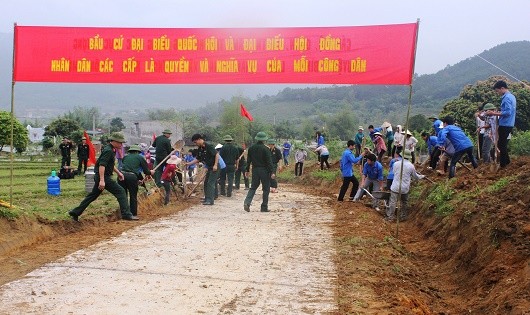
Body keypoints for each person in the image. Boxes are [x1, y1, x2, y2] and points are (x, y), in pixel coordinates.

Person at [68, 133, 138, 222]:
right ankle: (126, 214)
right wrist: (102, 180)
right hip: (103, 176)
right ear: (114, 142)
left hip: (101, 176)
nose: (121, 144)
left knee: (92, 195)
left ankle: (75, 212)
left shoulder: (112, 150)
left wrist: (118, 173)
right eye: (120, 142)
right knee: (121, 191)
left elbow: (110, 165)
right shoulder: (108, 150)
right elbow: (102, 165)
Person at [385, 149, 425, 222]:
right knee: (404, 202)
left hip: (395, 187)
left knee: (393, 202)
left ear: (402, 155)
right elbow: (415, 176)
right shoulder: (411, 166)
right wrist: (422, 176)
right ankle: (403, 216)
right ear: (409, 157)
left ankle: (390, 217)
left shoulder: (396, 164)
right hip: (405, 188)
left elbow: (394, 172)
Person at [487, 80, 516, 168]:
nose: (497, 93)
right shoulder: (512, 96)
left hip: (505, 124)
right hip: (509, 123)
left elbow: (507, 112)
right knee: (501, 143)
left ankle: (503, 164)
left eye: (497, 91)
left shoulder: (506, 98)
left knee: (501, 144)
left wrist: (493, 113)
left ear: (502, 88)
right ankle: (507, 162)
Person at [119, 144, 154, 215]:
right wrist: (151, 172)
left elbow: (128, 168)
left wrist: (138, 180)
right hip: (131, 177)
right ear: (138, 151)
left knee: (123, 196)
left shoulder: (125, 157)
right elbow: (146, 171)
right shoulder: (140, 157)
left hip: (121, 176)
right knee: (133, 195)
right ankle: (133, 214)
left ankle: (124, 214)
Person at [244, 131, 274, 212]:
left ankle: (247, 202)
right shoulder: (266, 149)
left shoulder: (251, 148)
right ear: (264, 140)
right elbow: (269, 162)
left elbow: (248, 161)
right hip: (264, 170)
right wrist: (272, 172)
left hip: (255, 170)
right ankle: (264, 207)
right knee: (266, 188)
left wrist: (247, 170)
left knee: (253, 187)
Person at [186, 134, 219, 205]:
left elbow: (216, 154)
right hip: (209, 167)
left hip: (214, 167)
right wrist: (189, 163)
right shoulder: (200, 149)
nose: (195, 144)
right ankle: (207, 198)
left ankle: (210, 200)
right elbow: (198, 159)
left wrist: (215, 165)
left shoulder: (209, 146)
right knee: (206, 183)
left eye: (195, 142)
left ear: (199, 139)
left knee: (210, 183)